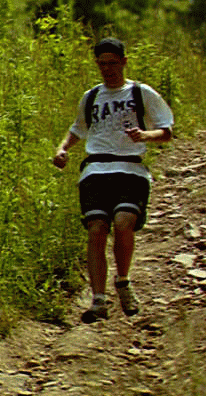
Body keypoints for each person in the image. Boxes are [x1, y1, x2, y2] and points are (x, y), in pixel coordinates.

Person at [53, 37, 174, 323]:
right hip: (95, 169)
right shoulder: (92, 96)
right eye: (102, 63)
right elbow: (78, 129)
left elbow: (166, 130)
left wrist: (145, 136)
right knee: (96, 228)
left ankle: (122, 280)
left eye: (112, 63)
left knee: (123, 222)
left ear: (123, 61)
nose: (107, 69)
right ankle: (98, 300)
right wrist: (62, 149)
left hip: (131, 169)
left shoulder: (140, 92)